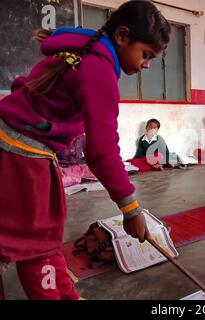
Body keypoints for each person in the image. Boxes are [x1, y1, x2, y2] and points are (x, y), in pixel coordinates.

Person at [0, 1, 170, 300]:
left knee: (34, 241)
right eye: (146, 55)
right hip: (18, 156)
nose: (147, 65)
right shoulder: (99, 68)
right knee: (37, 248)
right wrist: (131, 209)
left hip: (12, 146)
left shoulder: (81, 50)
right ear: (122, 35)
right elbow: (103, 151)